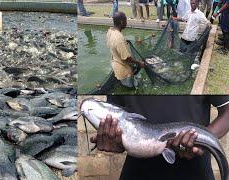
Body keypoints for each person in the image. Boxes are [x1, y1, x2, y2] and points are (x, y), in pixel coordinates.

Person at [90, 96, 229, 180]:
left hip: (196, 174)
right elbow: (120, 127)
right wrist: (116, 142)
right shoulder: (121, 70)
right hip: (137, 174)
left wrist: (199, 141)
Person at [106, 12, 145, 88]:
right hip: (124, 72)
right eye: (125, 20)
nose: (126, 22)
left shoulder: (110, 31)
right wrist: (139, 63)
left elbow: (113, 43)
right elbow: (126, 58)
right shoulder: (119, 38)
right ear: (121, 22)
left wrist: (125, 41)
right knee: (132, 89)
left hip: (115, 64)